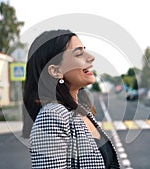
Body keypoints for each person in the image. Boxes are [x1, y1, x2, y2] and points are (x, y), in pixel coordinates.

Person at [22, 30, 120, 168]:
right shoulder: (52, 116)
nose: (91, 57)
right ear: (56, 71)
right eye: (79, 54)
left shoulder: (82, 111)